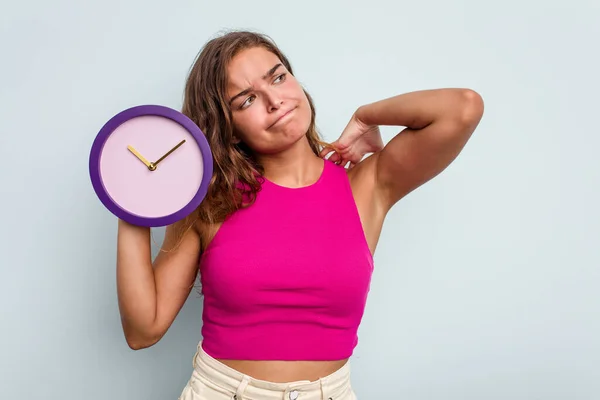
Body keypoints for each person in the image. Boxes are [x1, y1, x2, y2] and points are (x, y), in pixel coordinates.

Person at [115, 30, 484, 400]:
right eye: (246, 101)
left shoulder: (367, 185)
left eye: (278, 77)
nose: (275, 101)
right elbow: (143, 330)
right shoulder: (209, 202)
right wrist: (128, 204)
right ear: (228, 126)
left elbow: (464, 107)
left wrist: (366, 115)